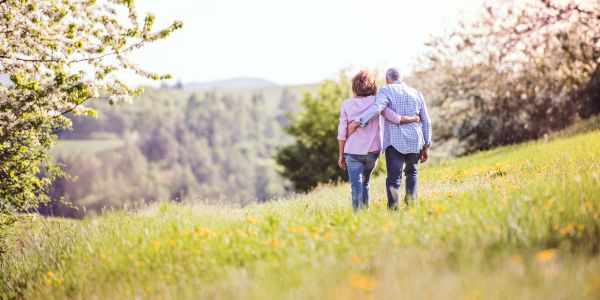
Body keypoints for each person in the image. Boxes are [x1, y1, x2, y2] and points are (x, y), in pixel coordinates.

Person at [347, 68, 431, 210]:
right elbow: (426, 121)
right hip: (415, 140)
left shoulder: (385, 91)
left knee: (394, 177)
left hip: (394, 142)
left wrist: (357, 122)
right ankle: (411, 205)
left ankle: (393, 209)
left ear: (387, 79)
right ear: (401, 78)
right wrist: (426, 145)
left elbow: (377, 108)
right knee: (412, 173)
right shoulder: (417, 93)